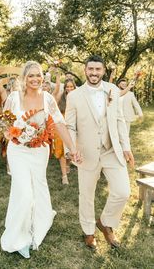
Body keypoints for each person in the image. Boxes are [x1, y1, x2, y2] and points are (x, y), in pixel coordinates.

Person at [0, 61, 81, 259]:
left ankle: (40, 220)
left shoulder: (48, 99)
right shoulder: (14, 98)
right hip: (18, 150)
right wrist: (9, 133)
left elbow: (60, 124)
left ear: (43, 77)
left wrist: (73, 148)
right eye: (31, 76)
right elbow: (4, 120)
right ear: (24, 78)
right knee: (24, 192)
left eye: (38, 75)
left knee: (39, 186)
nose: (35, 79)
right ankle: (19, 237)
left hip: (39, 151)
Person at [65, 55, 134, 250]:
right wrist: (73, 148)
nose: (94, 73)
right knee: (86, 194)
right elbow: (70, 125)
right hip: (86, 152)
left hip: (112, 149)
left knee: (123, 192)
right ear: (85, 71)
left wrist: (126, 147)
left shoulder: (113, 90)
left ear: (103, 71)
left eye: (98, 69)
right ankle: (88, 232)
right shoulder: (74, 96)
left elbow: (119, 119)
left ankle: (105, 222)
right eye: (91, 69)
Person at [52, 74, 77, 184]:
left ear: (74, 87)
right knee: (62, 152)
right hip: (61, 128)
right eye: (67, 87)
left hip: (73, 128)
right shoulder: (60, 98)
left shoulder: (78, 98)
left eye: (71, 87)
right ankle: (64, 176)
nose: (69, 89)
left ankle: (67, 164)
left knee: (71, 150)